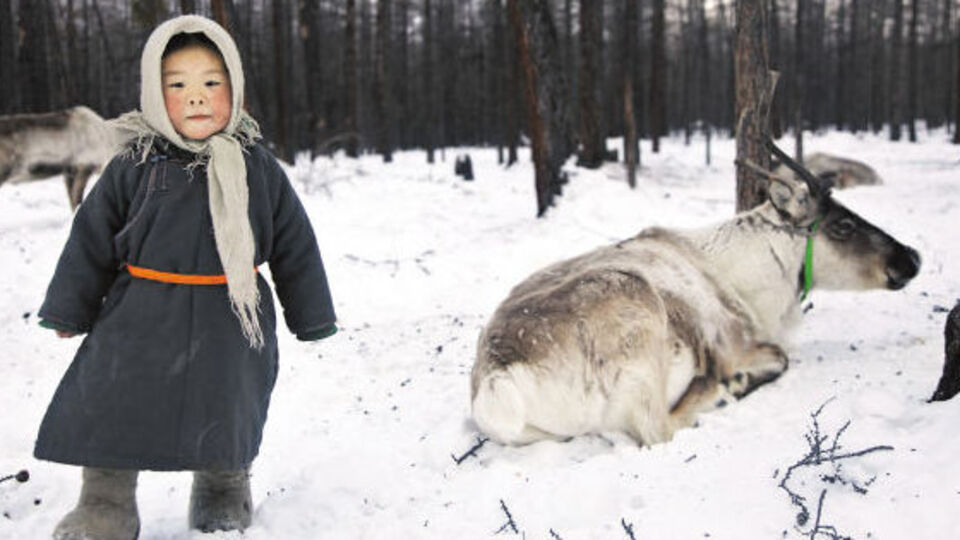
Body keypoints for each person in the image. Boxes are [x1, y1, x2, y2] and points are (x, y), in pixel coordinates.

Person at [34, 15, 337, 539]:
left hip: (230, 319)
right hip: (138, 316)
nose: (196, 97)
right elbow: (91, 238)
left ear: (235, 89)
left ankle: (222, 492)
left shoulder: (257, 167)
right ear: (155, 92)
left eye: (211, 83)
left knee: (226, 406)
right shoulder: (133, 162)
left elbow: (295, 246)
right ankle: (105, 503)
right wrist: (69, 307)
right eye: (178, 85)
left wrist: (311, 317)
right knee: (115, 404)